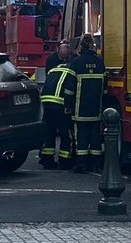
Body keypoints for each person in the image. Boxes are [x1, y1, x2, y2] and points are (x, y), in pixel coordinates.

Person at [64, 34, 106, 173]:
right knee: (95, 137)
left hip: (79, 109)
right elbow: (105, 88)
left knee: (81, 137)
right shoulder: (100, 63)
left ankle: (81, 164)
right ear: (92, 45)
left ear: (81, 45)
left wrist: (67, 107)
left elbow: (69, 89)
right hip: (96, 110)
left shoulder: (76, 63)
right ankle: (96, 164)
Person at [38, 42, 73, 170]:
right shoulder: (70, 71)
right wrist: (69, 107)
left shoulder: (53, 68)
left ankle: (47, 160)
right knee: (65, 133)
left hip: (46, 102)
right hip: (59, 104)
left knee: (49, 131)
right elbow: (70, 91)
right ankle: (64, 161)